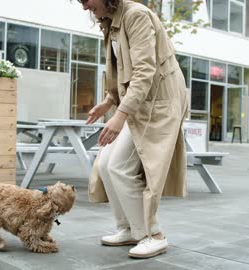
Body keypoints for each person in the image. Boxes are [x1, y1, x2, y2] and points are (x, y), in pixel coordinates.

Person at [78, 0, 189, 259]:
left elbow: (144, 71)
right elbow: (121, 69)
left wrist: (120, 116)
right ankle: (128, 228)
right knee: (106, 165)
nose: (84, 7)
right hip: (139, 100)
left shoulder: (136, 15)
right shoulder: (111, 20)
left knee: (119, 166)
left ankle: (153, 235)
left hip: (158, 101)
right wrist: (108, 101)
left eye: (86, 0)